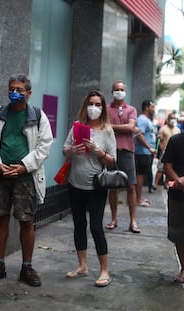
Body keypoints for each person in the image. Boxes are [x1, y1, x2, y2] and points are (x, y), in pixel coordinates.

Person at [0, 74, 53, 287]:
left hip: (25, 177)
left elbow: (44, 146)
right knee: (0, 219)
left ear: (29, 93)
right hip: (0, 175)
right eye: (12, 88)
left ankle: (27, 267)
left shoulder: (38, 116)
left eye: (20, 90)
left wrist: (24, 166)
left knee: (26, 221)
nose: (15, 93)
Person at [63, 90, 116, 287]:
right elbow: (64, 150)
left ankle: (104, 271)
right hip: (75, 184)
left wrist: (98, 150)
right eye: (91, 103)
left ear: (102, 108)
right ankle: (82, 265)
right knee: (79, 225)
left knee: (95, 226)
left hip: (96, 187)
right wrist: (72, 150)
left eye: (98, 104)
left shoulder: (107, 131)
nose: (94, 107)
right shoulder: (77, 126)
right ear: (86, 105)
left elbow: (112, 161)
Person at [106, 81, 140, 233]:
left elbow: (131, 127)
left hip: (127, 151)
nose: (119, 91)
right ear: (112, 91)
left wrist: (112, 127)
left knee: (131, 186)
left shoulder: (131, 109)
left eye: (121, 89)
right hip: (111, 152)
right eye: (116, 89)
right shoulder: (106, 109)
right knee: (113, 188)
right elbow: (103, 127)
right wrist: (124, 128)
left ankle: (133, 221)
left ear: (125, 91)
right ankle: (114, 219)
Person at [161, 132, 184, 283]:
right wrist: (179, 181)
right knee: (179, 235)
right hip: (178, 196)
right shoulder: (176, 140)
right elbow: (167, 167)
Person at [134, 100, 157, 206]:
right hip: (141, 152)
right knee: (140, 175)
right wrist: (149, 148)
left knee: (142, 175)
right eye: (152, 106)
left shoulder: (147, 120)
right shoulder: (142, 119)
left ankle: (139, 197)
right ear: (147, 107)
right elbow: (139, 135)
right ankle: (138, 199)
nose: (154, 109)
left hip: (146, 153)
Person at [153, 113, 180, 190]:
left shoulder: (177, 130)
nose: (173, 120)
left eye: (174, 118)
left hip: (175, 153)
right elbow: (159, 141)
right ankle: (155, 184)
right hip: (164, 151)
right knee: (160, 169)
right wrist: (160, 150)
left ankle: (166, 184)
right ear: (168, 119)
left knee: (171, 169)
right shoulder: (163, 129)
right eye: (172, 118)